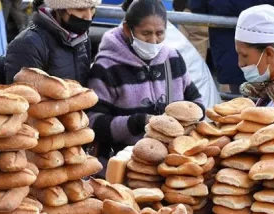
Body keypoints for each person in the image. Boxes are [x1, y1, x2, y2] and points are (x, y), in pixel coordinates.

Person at [87, 0, 205, 170]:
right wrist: (137, 122)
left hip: (170, 165)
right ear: (128, 30)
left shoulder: (173, 59)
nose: (154, 40)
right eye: (146, 33)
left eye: (160, 33)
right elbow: (93, 123)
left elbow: (197, 102)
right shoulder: (106, 68)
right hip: (122, 166)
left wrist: (182, 122)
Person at [190, 0, 274, 94]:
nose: (241, 63)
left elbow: (198, 7)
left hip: (228, 49)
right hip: (270, 52)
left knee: (239, 100)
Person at [4, 0, 99, 85]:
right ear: (59, 9)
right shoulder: (27, 44)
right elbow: (25, 98)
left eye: (92, 8)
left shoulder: (82, 38)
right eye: (80, 9)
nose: (89, 17)